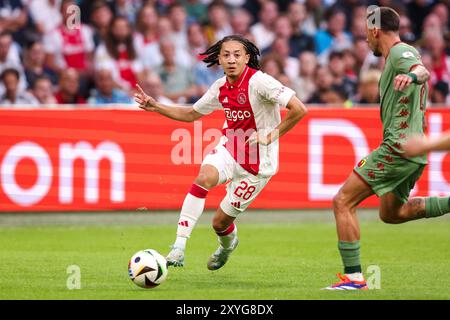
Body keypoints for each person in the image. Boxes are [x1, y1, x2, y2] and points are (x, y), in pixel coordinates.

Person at [134, 35, 307, 270]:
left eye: (237, 54)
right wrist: (155, 106)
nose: (231, 59)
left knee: (220, 223)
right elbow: (190, 114)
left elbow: (299, 109)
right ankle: (178, 246)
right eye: (226, 55)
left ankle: (227, 246)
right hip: (230, 148)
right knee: (203, 178)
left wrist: (270, 135)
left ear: (247, 58)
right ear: (219, 59)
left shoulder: (261, 82)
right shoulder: (219, 88)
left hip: (258, 165)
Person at [325, 6, 450, 291]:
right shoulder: (396, 55)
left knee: (342, 202)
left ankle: (354, 279)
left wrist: (414, 76)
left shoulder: (398, 52)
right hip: (413, 152)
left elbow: (422, 69)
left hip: (397, 147)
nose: (366, 40)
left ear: (374, 30)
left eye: (366, 34)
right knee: (392, 214)